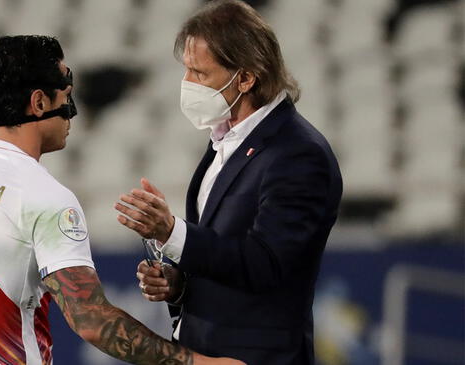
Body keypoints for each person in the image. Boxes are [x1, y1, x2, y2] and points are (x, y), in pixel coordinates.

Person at [0, 35, 244, 365]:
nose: (71, 110)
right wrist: (198, 364)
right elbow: (91, 321)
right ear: (39, 102)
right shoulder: (46, 197)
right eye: (65, 94)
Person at [114, 1, 343, 364]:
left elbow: (265, 264)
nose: (187, 84)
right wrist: (179, 285)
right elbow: (225, 257)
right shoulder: (226, 139)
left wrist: (173, 233)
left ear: (247, 78)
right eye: (186, 71)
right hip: (203, 351)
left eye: (199, 73)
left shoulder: (298, 154)